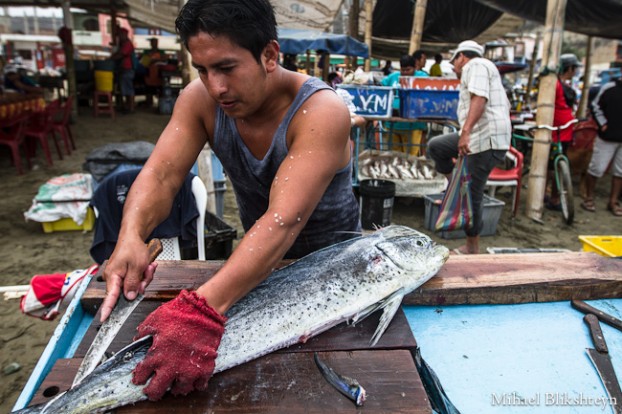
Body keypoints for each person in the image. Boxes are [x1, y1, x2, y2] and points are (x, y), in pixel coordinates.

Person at [99, 0, 361, 402]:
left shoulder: (321, 111)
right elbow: (161, 174)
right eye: (202, 70)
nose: (215, 86)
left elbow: (283, 219)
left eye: (226, 68)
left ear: (269, 55)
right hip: (262, 272)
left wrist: (201, 308)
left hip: (341, 275)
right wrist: (130, 236)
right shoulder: (200, 101)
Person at [426, 40, 511, 254]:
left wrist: (465, 132)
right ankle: (453, 187)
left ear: (461, 57)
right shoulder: (480, 68)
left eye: (454, 62)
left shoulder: (476, 65)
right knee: (437, 147)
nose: (454, 68)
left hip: (485, 140)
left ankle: (472, 246)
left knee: (472, 193)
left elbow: (479, 98)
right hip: (479, 136)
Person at [581, 74, 622, 216]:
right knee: (596, 168)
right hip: (607, 138)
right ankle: (588, 198)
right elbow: (595, 106)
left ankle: (613, 201)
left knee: (620, 172)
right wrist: (603, 124)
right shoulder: (609, 88)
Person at [546, 53, 579, 210]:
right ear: (570, 68)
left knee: (553, 165)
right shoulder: (557, 84)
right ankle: (553, 198)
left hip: (561, 131)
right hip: (557, 131)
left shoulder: (560, 84)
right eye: (574, 68)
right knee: (553, 166)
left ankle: (551, 196)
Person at [111, 28, 136, 113]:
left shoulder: (127, 44)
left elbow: (121, 54)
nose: (119, 37)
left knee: (128, 89)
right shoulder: (123, 44)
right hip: (123, 69)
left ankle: (131, 108)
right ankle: (127, 106)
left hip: (128, 69)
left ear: (124, 35)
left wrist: (111, 58)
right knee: (125, 89)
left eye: (120, 35)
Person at [139, 37, 167, 107]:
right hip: (149, 73)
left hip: (158, 73)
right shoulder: (146, 52)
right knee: (148, 89)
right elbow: (143, 61)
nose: (154, 44)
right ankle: (149, 102)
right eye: (152, 42)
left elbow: (165, 59)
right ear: (150, 44)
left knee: (160, 89)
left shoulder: (161, 52)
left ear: (157, 43)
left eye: (155, 42)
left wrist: (155, 60)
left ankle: (160, 105)